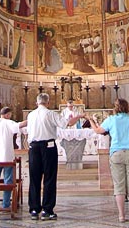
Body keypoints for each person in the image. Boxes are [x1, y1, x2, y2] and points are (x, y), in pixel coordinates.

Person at [27, 92, 82, 220]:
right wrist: (79, 116)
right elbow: (67, 123)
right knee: (49, 177)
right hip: (48, 147)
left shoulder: (31, 115)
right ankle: (47, 209)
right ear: (48, 102)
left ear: (37, 102)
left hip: (33, 147)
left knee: (34, 178)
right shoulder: (51, 114)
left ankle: (34, 209)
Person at [0, 106, 27, 209]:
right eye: (10, 115)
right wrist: (31, 119)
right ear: (7, 114)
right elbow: (20, 125)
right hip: (7, 157)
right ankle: (6, 204)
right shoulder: (8, 122)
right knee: (8, 180)